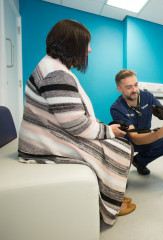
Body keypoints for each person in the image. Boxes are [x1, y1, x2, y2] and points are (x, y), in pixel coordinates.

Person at [18, 19, 135, 225]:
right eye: (86, 45)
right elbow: (76, 125)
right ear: (72, 45)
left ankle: (110, 196)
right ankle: (109, 204)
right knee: (119, 148)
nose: (89, 50)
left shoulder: (52, 66)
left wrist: (104, 129)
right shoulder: (56, 74)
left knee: (115, 144)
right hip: (42, 145)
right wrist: (108, 132)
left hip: (45, 134)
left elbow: (71, 116)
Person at [110, 69, 163, 175]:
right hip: (127, 142)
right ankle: (120, 173)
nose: (134, 90)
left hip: (145, 136)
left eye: (136, 85)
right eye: (129, 87)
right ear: (119, 89)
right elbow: (134, 138)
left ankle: (139, 161)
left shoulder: (147, 97)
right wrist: (160, 133)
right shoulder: (117, 108)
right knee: (123, 149)